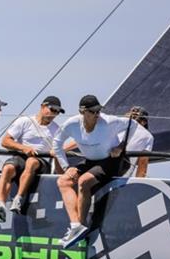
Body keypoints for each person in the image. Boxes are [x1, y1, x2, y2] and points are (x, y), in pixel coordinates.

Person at [53, 95, 131, 248]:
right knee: (63, 181)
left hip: (111, 161)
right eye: (93, 111)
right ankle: (76, 226)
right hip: (90, 161)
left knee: (83, 181)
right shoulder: (72, 124)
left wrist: (121, 147)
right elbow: (57, 144)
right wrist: (67, 168)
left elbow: (132, 125)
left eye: (99, 110)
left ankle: (81, 225)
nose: (97, 114)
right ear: (83, 111)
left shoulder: (108, 121)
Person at [0, 96, 64, 222]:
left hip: (41, 160)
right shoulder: (24, 121)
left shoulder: (57, 130)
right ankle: (0, 204)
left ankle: (18, 199)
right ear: (43, 106)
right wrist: (23, 148)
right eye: (52, 109)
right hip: (22, 155)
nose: (54, 114)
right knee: (8, 168)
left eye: (57, 112)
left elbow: (58, 152)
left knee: (32, 162)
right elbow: (5, 141)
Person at [121, 106, 154, 178]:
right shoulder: (147, 136)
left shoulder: (116, 127)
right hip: (120, 179)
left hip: (101, 173)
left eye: (135, 116)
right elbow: (142, 166)